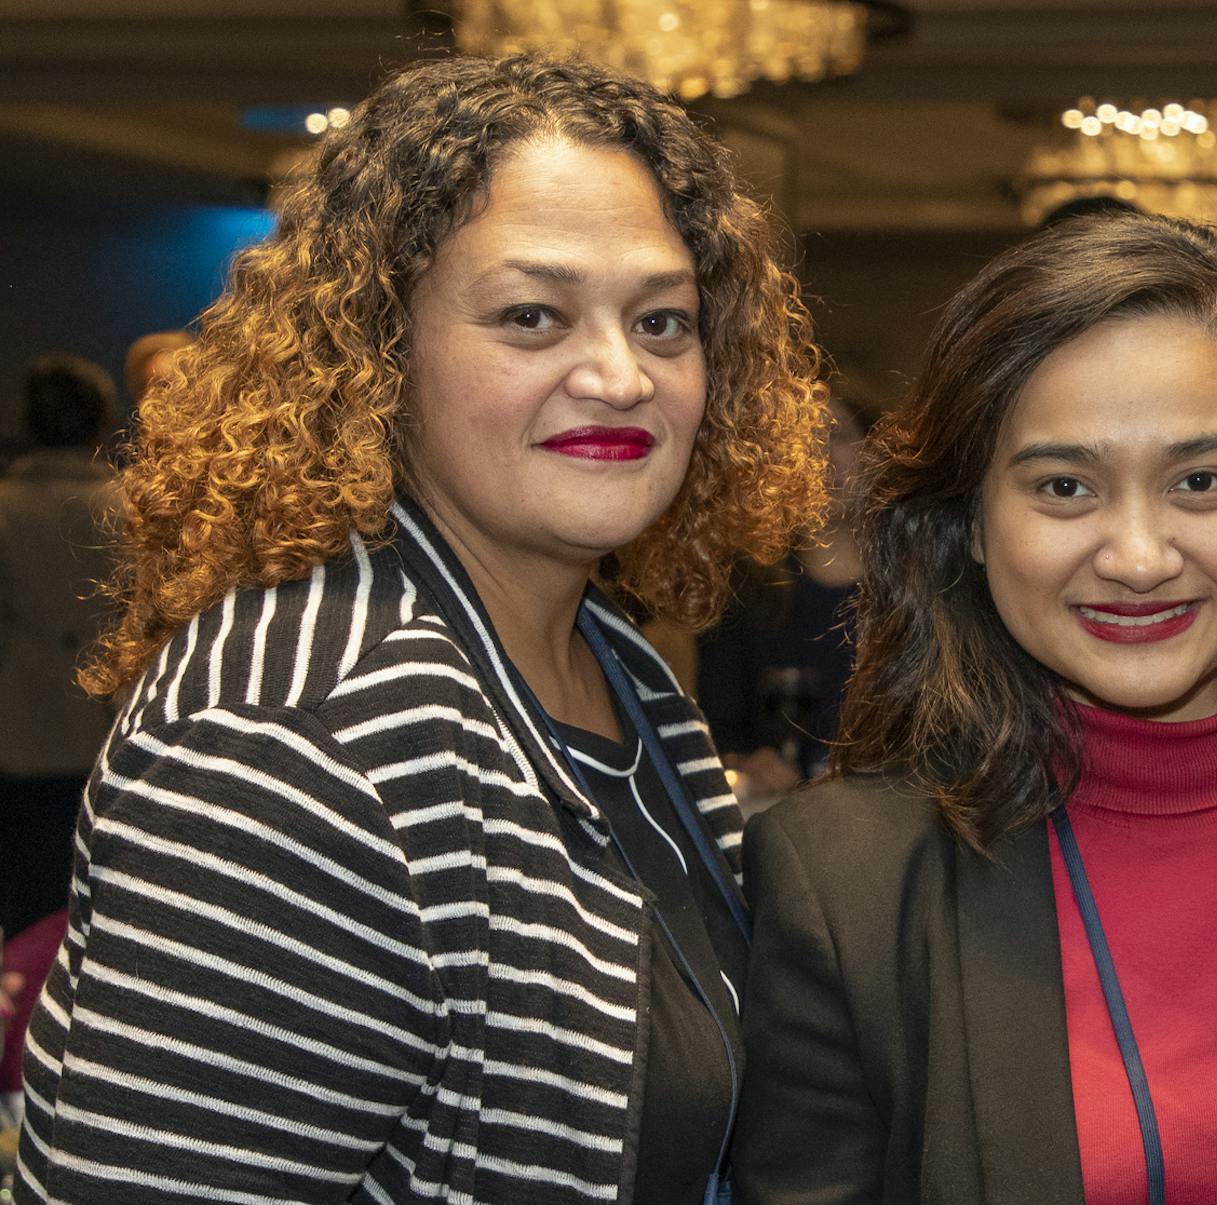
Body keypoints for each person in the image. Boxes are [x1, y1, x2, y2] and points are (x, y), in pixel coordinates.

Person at [19, 53, 826, 1205]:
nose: (619, 373)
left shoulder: (613, 660)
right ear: (380, 353)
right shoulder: (296, 733)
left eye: (662, 321)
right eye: (531, 316)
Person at [735, 212, 1217, 1205]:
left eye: (1200, 480)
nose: (1140, 557)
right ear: (973, 522)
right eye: (1065, 487)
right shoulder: (845, 884)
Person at [695, 392, 873, 802]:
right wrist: (745, 762)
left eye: (839, 436)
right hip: (780, 813)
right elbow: (717, 731)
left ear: (876, 453)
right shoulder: (746, 591)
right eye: (805, 442)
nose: (823, 458)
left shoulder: (916, 589)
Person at [0, 356, 120, 941]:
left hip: (24, 735)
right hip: (118, 729)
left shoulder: (6, 511)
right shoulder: (138, 508)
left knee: (32, 909)